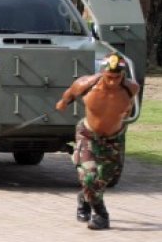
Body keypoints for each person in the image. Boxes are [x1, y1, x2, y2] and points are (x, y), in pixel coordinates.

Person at [55, 52, 140, 230]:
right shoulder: (85, 84)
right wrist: (63, 103)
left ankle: (84, 198)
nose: (113, 81)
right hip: (88, 134)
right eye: (109, 76)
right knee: (89, 177)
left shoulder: (131, 88)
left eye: (118, 76)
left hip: (114, 138)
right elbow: (69, 95)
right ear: (102, 72)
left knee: (102, 181)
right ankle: (101, 215)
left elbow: (129, 107)